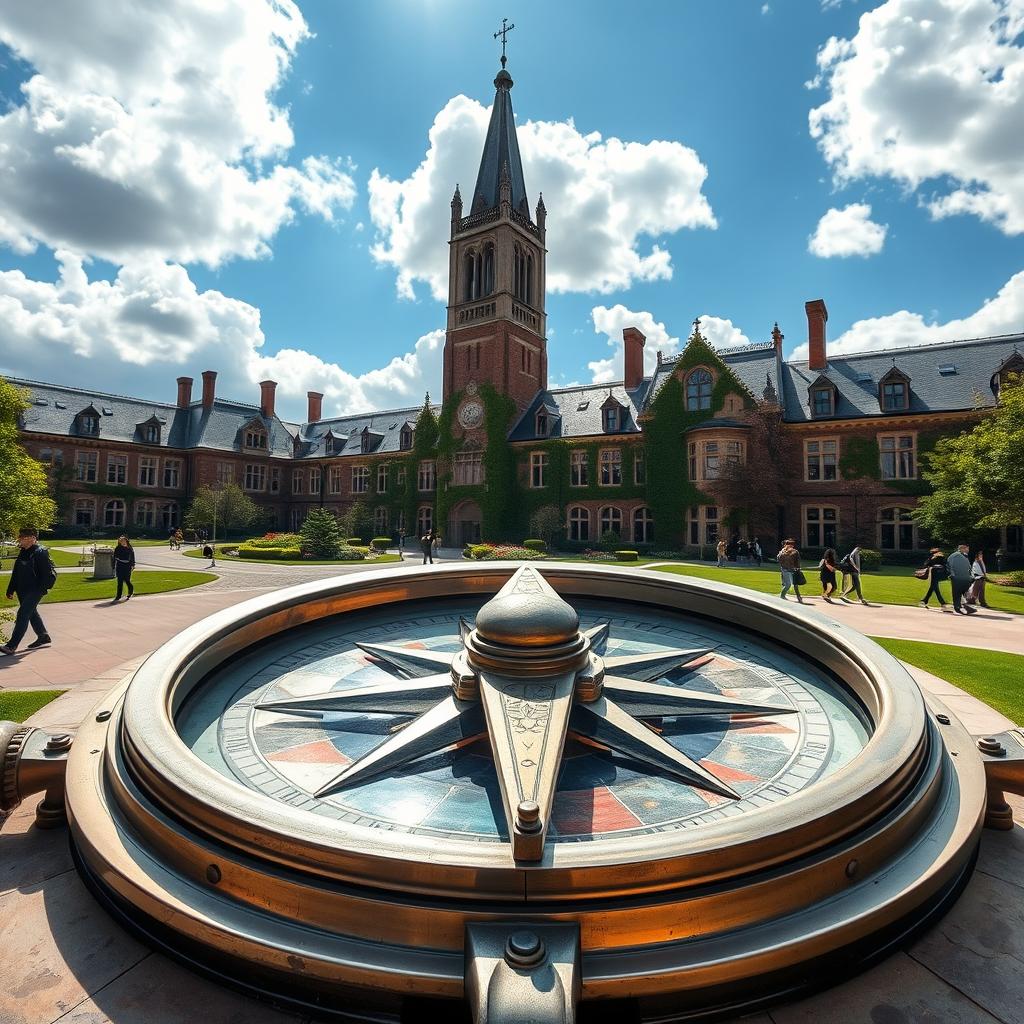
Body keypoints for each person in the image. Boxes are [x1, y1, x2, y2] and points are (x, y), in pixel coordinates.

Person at [0, 527, 56, 655]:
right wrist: (11, 589)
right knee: (31, 613)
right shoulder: (23, 551)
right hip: (22, 590)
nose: (19, 539)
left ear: (32, 538)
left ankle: (11, 646)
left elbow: (46, 574)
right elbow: (17, 573)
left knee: (23, 614)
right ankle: (43, 636)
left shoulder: (40, 553)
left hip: (35, 590)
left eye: (22, 537)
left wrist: (41, 590)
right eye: (20, 537)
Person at [946, 543, 976, 615]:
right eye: (967, 548)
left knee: (962, 592)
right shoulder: (955, 555)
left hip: (963, 577)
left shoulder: (963, 556)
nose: (968, 550)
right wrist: (952, 574)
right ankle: (958, 608)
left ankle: (963, 607)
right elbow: (950, 565)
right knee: (957, 593)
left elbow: (968, 567)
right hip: (957, 577)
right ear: (962, 548)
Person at [777, 538, 804, 603]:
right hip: (785, 570)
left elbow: (798, 561)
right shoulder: (782, 552)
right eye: (788, 545)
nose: (790, 546)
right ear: (786, 545)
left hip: (793, 570)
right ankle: (782, 596)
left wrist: (798, 568)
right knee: (788, 585)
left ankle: (799, 597)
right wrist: (785, 552)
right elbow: (779, 559)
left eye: (791, 545)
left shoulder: (795, 552)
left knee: (795, 585)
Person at [112, 535, 136, 601]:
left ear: (126, 541)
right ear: (119, 542)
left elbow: (132, 557)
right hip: (120, 566)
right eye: (121, 541)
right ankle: (118, 596)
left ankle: (130, 592)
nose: (122, 542)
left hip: (127, 567)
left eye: (123, 541)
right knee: (119, 582)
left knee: (127, 580)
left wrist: (133, 565)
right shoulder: (118, 548)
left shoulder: (130, 548)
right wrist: (113, 566)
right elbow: (114, 557)